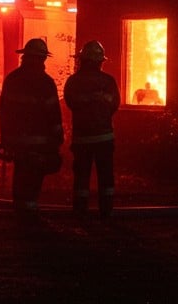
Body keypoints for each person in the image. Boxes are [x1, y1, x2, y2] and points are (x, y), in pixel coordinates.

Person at [0, 38, 65, 221]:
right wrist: (58, 138)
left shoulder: (12, 79)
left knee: (20, 174)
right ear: (43, 59)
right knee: (35, 176)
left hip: (17, 142)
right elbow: (53, 114)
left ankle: (20, 212)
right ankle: (30, 214)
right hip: (40, 143)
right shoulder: (46, 83)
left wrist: (5, 137)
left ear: (25, 56)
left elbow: (3, 111)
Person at [63, 39, 120, 220]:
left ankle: (80, 212)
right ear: (100, 61)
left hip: (82, 138)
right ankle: (106, 212)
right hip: (105, 138)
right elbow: (115, 105)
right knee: (106, 176)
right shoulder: (108, 81)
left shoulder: (73, 81)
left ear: (82, 60)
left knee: (81, 177)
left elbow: (70, 103)